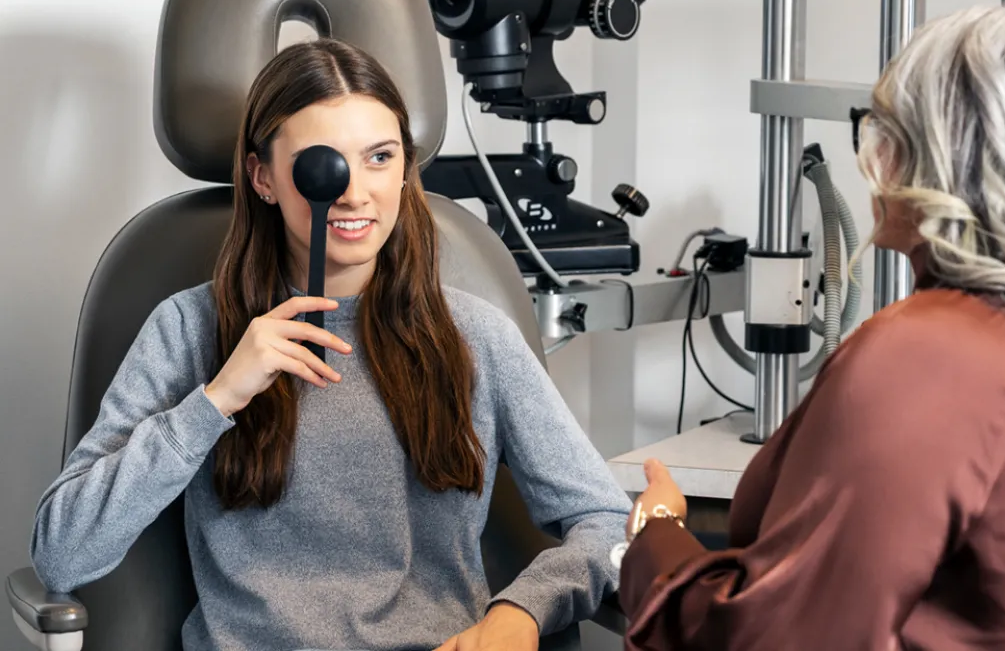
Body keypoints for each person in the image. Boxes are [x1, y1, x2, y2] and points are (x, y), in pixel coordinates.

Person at [617, 6, 1005, 649]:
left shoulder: (930, 353)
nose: (871, 155)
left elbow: (776, 637)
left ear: (939, 152)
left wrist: (654, 540)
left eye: (879, 127)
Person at [29, 38, 631, 651]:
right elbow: (61, 553)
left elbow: (606, 521)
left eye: (379, 157)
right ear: (263, 176)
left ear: (405, 170)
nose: (353, 192)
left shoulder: (476, 336)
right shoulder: (187, 329)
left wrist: (520, 614)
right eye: (325, 163)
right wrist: (215, 401)